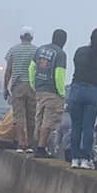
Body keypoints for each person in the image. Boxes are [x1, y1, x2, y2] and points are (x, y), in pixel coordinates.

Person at [67, 27, 97, 167]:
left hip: (77, 90)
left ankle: (75, 159)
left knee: (76, 126)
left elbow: (76, 67)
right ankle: (86, 159)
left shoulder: (80, 52)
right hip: (93, 92)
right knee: (88, 127)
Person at [30, 29, 68, 157]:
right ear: (64, 41)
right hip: (52, 92)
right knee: (49, 120)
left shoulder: (40, 50)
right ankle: (41, 148)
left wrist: (33, 84)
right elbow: (59, 75)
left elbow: (32, 68)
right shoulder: (60, 54)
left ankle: (36, 145)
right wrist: (61, 93)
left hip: (39, 90)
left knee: (39, 119)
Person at [4, 26, 39, 150]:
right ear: (32, 37)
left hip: (17, 86)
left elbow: (8, 71)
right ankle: (30, 144)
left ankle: (20, 143)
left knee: (19, 116)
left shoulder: (13, 50)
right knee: (31, 116)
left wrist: (5, 88)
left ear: (20, 37)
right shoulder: (36, 51)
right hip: (32, 87)